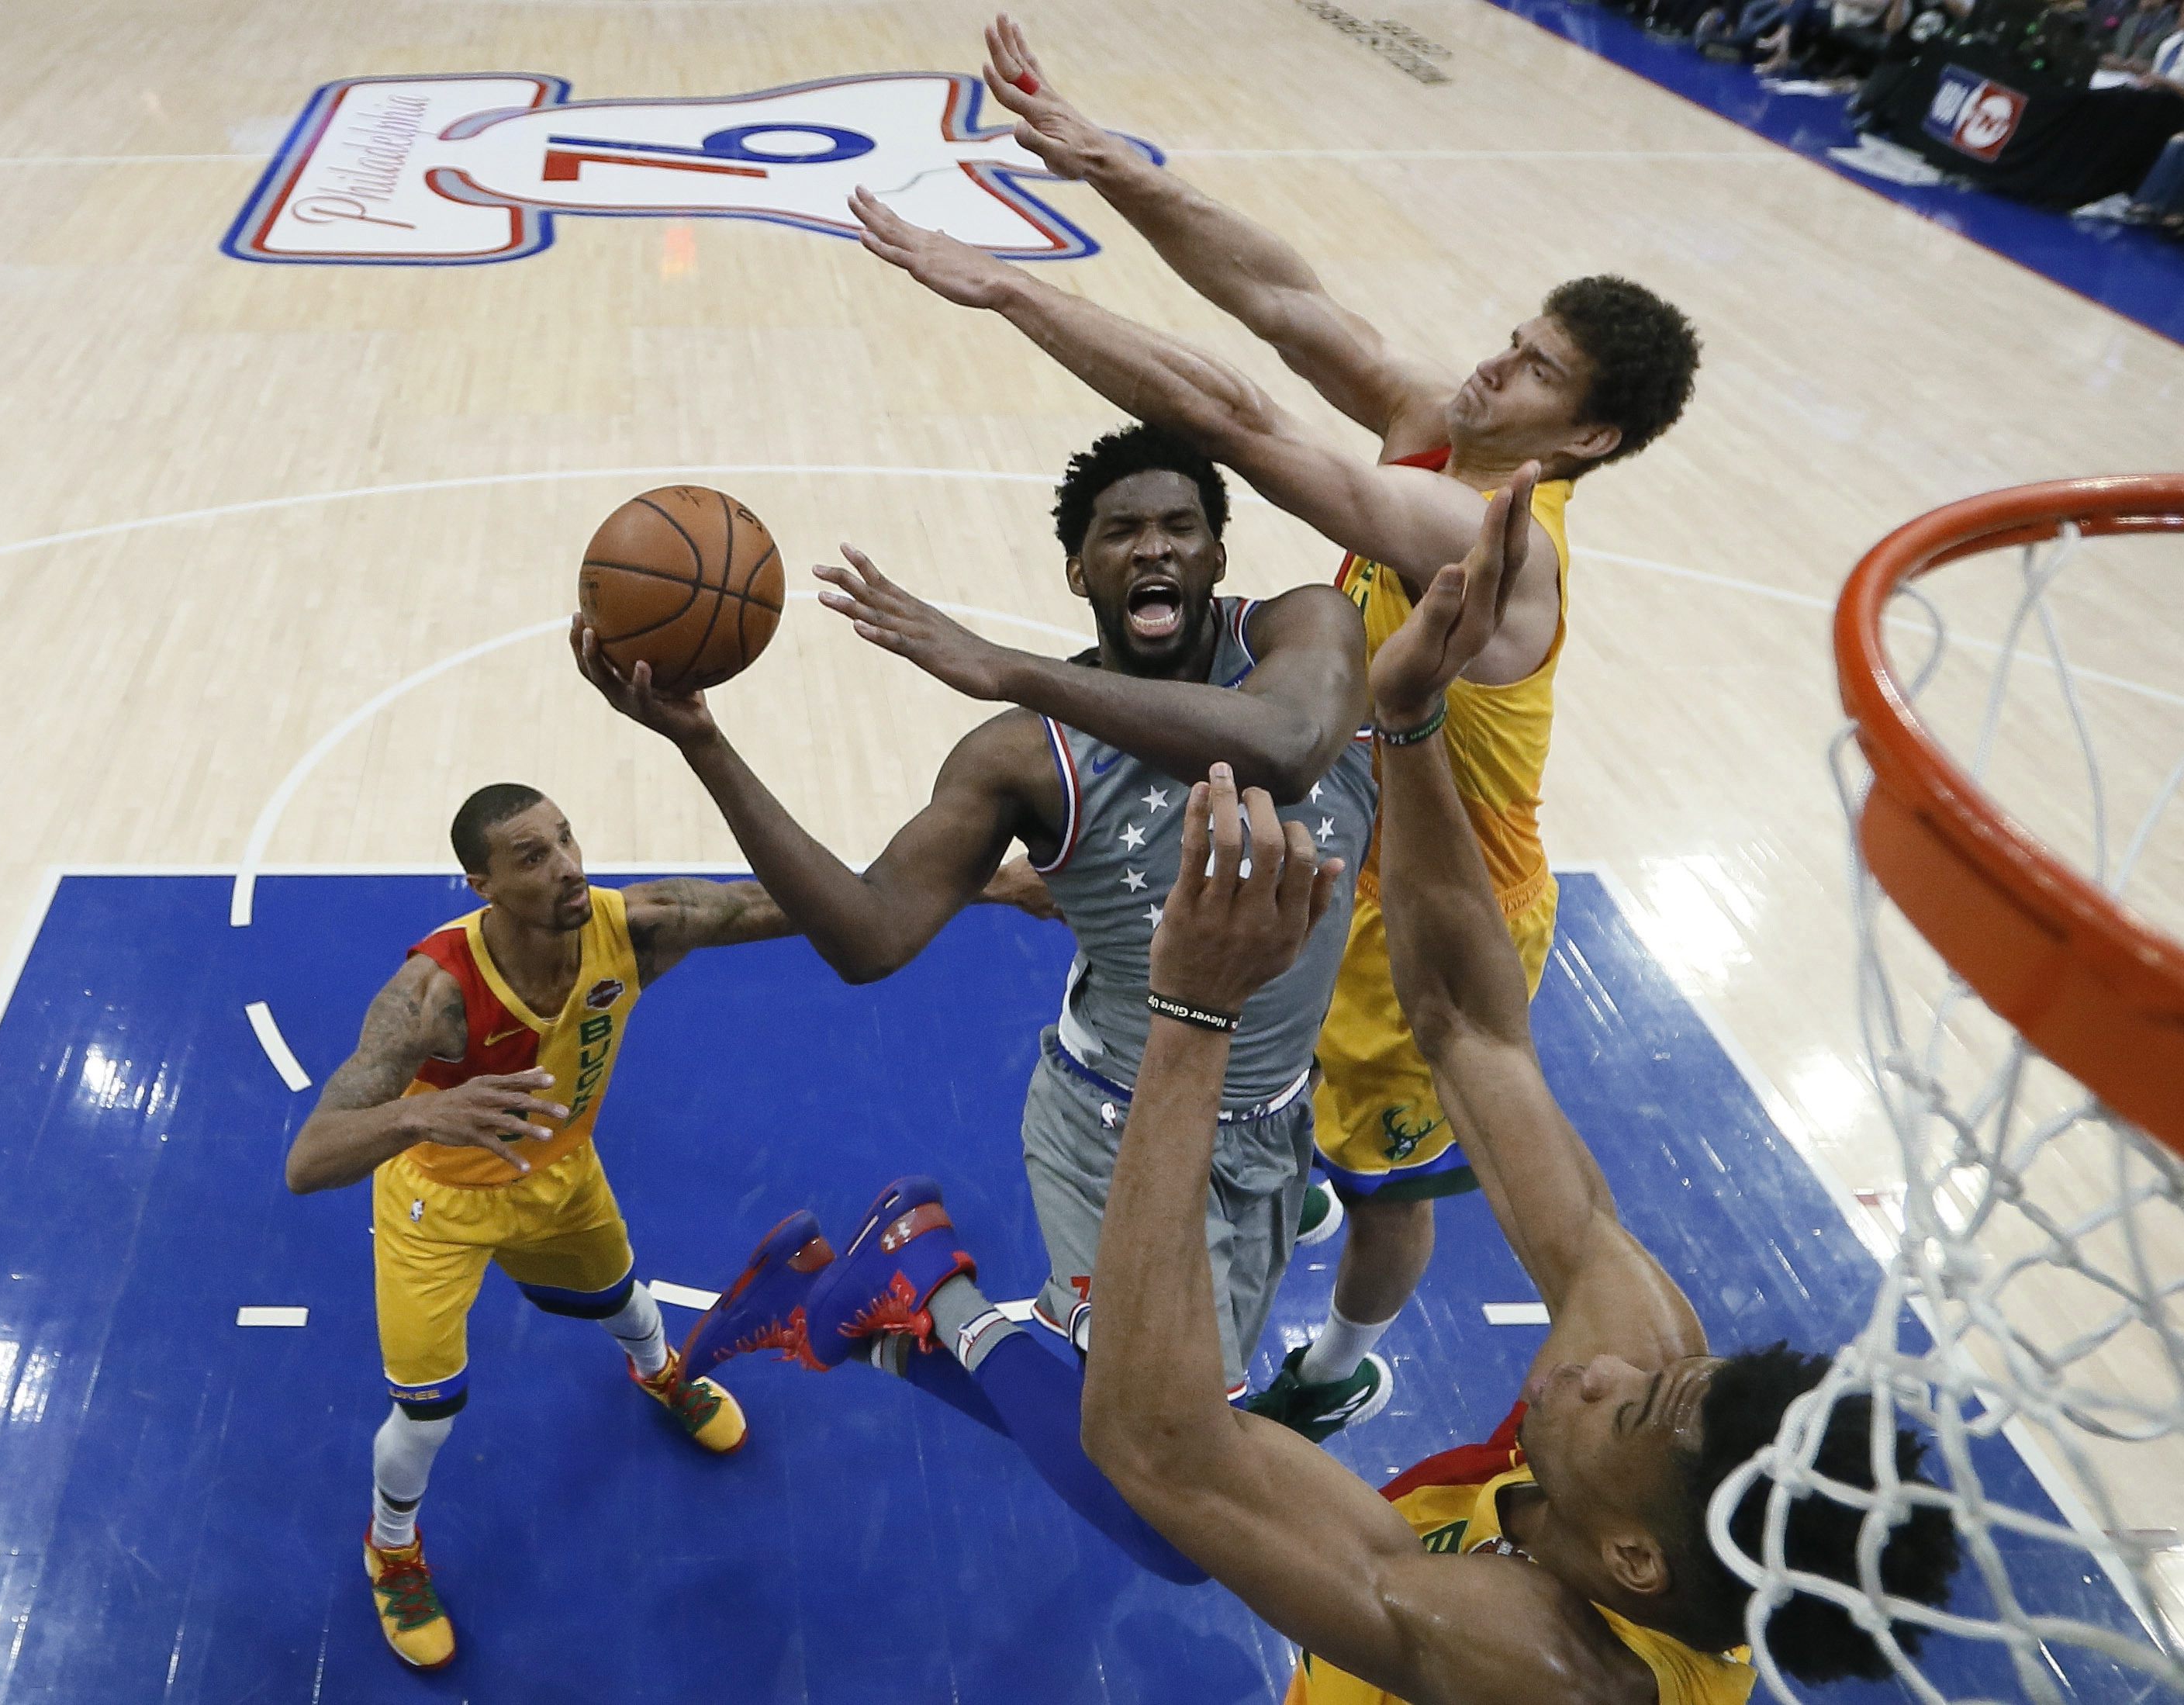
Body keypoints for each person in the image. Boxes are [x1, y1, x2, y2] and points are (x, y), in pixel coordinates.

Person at [851, 15, 1702, 1440]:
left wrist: (1008, 289)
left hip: (1442, 900)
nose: (1492, 370)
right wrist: (1109, 164)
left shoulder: (1494, 540)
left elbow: (1240, 418)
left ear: (1586, 439)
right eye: (1513, 340)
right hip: (1335, 840)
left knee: (1384, 1190)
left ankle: (1336, 1361)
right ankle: (1287, 1148)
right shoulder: (1447, 425)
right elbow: (1285, 302)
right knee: (1245, 1051)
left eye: (1536, 373)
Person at [1072, 472, 1962, 1702]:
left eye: (1624, 1409)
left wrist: (1192, 1009)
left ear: (1633, 1560)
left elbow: (1155, 1445)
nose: (1606, 1365)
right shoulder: (1658, 1408)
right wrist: (1410, 725)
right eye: (1655, 1379)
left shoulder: (1540, 1665)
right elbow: (1471, 1032)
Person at [572, 424, 1376, 1399]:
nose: (1153, 547)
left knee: (1168, 1437)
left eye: (1179, 527)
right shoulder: (1028, 756)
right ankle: (921, 1294)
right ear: (1078, 571)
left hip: (1275, 1115)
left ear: (1216, 555)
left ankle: (913, 1302)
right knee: (1169, 1437)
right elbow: (870, 935)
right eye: (1121, 531)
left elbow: (1286, 748)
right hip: (1118, 1123)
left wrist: (1008, 665)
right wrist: (705, 745)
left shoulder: (1306, 633)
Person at [282, 785, 799, 1668]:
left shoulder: (633, 928)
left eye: (565, 839)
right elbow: (308, 1159)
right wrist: (419, 1114)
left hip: (559, 1175)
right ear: (482, 885)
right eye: (532, 857)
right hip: (436, 1205)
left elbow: (794, 900)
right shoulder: (432, 994)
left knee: (622, 1298)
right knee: (427, 1416)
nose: (566, 866)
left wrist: (989, 879)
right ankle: (392, 1550)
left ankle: (659, 1374)